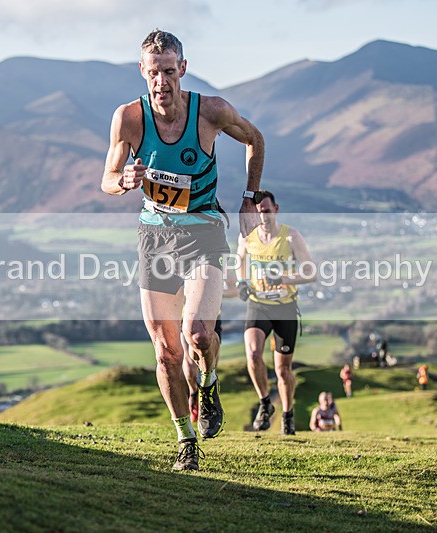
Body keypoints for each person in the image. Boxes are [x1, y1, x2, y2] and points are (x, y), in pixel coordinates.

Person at [101, 29, 264, 471]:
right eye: (153, 73)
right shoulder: (129, 119)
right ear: (142, 72)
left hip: (205, 231)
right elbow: (108, 178)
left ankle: (208, 382)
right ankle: (186, 442)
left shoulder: (210, 112)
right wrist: (124, 183)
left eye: (169, 72)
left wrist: (250, 197)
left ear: (183, 69)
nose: (161, 82)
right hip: (155, 236)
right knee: (166, 351)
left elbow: (254, 138)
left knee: (196, 333)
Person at [236, 191, 317, 435]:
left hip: (285, 307)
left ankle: (288, 414)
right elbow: (239, 261)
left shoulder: (291, 237)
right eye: (259, 213)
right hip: (258, 304)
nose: (263, 217)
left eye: (267, 211)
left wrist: (281, 277)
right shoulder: (247, 237)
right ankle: (264, 403)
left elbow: (311, 273)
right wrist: (242, 283)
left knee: (282, 371)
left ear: (276, 209)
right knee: (252, 354)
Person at [183, 275, 238, 423]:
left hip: (211, 320)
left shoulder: (217, 258)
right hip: (184, 318)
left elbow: (235, 290)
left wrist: (216, 292)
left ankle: (206, 401)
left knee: (209, 366)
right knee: (189, 367)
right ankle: (194, 393)